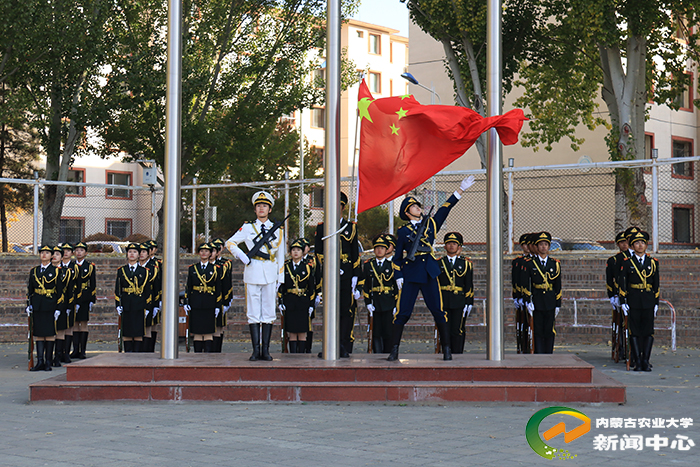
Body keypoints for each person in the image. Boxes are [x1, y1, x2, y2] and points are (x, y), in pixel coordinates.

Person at [387, 175, 476, 361]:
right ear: (407, 212)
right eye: (414, 206)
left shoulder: (431, 225)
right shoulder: (403, 232)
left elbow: (445, 208)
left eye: (418, 206)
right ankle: (394, 350)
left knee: (438, 311)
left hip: (428, 272)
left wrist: (460, 190)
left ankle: (447, 349)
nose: (418, 208)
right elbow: (397, 257)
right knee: (403, 312)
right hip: (411, 273)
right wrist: (398, 275)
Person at [226, 191, 285, 361]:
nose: (261, 208)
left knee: (268, 312)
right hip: (253, 271)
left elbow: (281, 255)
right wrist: (242, 255)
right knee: (253, 312)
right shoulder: (247, 228)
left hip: (270, 272)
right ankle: (255, 350)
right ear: (255, 209)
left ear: (270, 209)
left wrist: (280, 278)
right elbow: (230, 242)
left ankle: (265, 350)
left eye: (265, 206)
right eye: (259, 206)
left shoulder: (278, 230)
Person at [314, 192, 362, 358]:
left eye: (339, 206)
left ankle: (343, 344)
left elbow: (355, 253)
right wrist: (331, 265)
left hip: (346, 274)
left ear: (342, 208)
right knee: (329, 310)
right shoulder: (322, 227)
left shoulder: (350, 227)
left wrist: (355, 275)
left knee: (345, 310)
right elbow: (318, 252)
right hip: (329, 274)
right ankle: (329, 345)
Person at [619, 230, 659, 372]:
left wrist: (656, 302)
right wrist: (623, 301)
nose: (640, 245)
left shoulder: (653, 262)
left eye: (642, 243)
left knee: (648, 331)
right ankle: (637, 361)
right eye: (637, 243)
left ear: (646, 245)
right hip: (634, 300)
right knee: (634, 331)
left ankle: (645, 361)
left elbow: (656, 284)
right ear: (632, 246)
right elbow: (623, 283)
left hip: (648, 300)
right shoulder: (627, 263)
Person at [26, 245, 65, 371]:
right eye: (42, 252)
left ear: (51, 256)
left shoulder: (56, 271)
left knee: (49, 334)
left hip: (50, 305)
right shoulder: (34, 271)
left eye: (47, 253)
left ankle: (48, 361)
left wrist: (58, 308)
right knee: (38, 334)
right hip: (37, 305)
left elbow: (60, 292)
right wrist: (28, 305)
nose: (44, 255)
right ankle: (40, 362)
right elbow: (30, 290)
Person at [522, 231, 562, 354]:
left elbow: (558, 285)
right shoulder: (530, 264)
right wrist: (528, 301)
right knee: (538, 330)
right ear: (537, 247)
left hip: (550, 300)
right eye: (541, 244)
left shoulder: (555, 264)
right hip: (537, 300)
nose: (543, 247)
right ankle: (539, 354)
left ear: (549, 247)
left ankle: (549, 353)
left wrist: (558, 304)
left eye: (546, 244)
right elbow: (526, 284)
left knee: (549, 330)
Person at [360, 235, 401, 353]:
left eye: (382, 248)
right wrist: (368, 303)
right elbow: (366, 286)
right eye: (377, 248)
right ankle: (376, 354)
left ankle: (388, 352)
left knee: (388, 331)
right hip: (375, 302)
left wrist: (396, 305)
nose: (379, 250)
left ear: (386, 250)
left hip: (388, 302)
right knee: (375, 332)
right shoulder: (368, 265)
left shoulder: (392, 265)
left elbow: (396, 288)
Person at [437, 232, 474, 354]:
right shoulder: (439, 263)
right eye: (449, 243)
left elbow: (468, 284)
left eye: (454, 243)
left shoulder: (465, 264)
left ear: (459, 246)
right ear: (444, 246)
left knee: (458, 329)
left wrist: (469, 302)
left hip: (459, 301)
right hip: (444, 300)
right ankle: (446, 351)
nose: (451, 246)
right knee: (444, 328)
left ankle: (458, 353)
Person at [278, 239, 316, 353]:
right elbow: (281, 287)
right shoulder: (285, 266)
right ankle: (293, 355)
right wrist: (280, 302)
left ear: (302, 252)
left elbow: (311, 288)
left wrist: (311, 304)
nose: (295, 252)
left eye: (298, 250)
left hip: (303, 302)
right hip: (290, 301)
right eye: (293, 250)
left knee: (302, 332)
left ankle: (301, 355)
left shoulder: (307, 267)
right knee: (292, 332)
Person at [184, 243, 222, 353]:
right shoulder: (193, 268)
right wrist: (186, 302)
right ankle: (197, 355)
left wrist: (218, 305)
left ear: (210, 254)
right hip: (196, 302)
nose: (204, 253)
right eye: (201, 251)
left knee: (208, 331)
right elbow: (189, 286)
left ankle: (208, 356)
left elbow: (218, 288)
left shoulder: (215, 269)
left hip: (209, 303)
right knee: (197, 331)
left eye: (206, 251)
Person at [115, 243, 152, 352]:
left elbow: (147, 291)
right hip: (126, 304)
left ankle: (137, 354)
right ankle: (128, 353)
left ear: (138, 255)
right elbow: (118, 289)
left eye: (135, 252)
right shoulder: (121, 270)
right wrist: (118, 305)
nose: (132, 254)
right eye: (130, 252)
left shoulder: (144, 271)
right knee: (127, 331)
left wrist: (147, 307)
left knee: (138, 332)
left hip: (139, 304)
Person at [70, 241, 96, 359]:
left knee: (84, 323)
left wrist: (92, 299)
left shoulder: (90, 266)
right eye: (77, 250)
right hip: (74, 296)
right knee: (75, 323)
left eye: (81, 250)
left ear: (86, 253)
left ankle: (83, 350)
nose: (79, 252)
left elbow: (92, 283)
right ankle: (75, 349)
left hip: (85, 296)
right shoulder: (71, 265)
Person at [606, 231, 629, 362]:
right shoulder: (614, 260)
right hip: (618, 295)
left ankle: (630, 350)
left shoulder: (632, 258)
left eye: (626, 242)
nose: (624, 245)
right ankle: (619, 349)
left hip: (629, 294)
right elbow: (610, 280)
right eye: (621, 243)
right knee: (619, 324)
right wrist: (612, 295)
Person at [211, 238, 232, 352]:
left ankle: (217, 349)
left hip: (221, 297)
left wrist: (227, 299)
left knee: (219, 325)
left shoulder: (225, 263)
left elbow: (227, 282)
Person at [512, 234, 531, 354]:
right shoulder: (518, 261)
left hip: (531, 297)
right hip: (521, 297)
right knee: (522, 325)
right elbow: (516, 280)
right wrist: (517, 297)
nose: (527, 247)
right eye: (525, 244)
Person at [300, 238, 319, 353]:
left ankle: (308, 347)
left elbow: (318, 277)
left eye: (305, 246)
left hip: (310, 294)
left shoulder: (313, 260)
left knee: (309, 321)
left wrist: (318, 294)